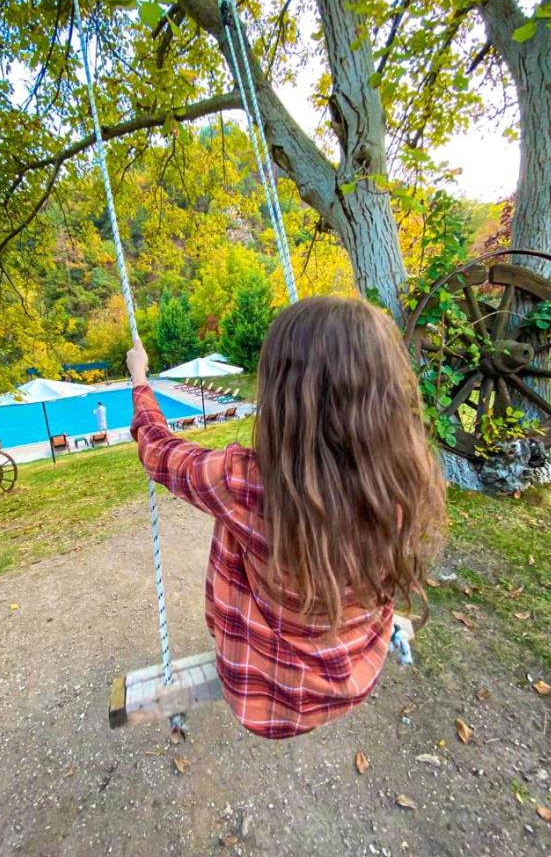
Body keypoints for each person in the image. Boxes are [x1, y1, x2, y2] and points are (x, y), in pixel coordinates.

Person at [127, 298, 446, 739]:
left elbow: (159, 451)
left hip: (266, 698)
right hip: (355, 674)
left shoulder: (245, 482)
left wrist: (140, 379)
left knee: (237, 518)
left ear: (282, 395)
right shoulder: (405, 477)